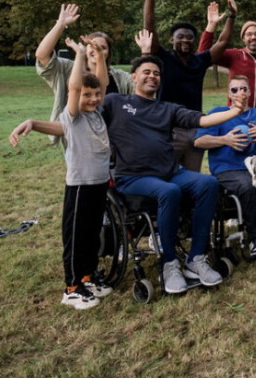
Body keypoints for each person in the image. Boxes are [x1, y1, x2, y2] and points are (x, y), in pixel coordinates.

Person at [101, 53, 245, 294]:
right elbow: (91, 101)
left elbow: (204, 120)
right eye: (146, 72)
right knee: (169, 191)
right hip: (133, 178)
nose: (152, 77)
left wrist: (234, 111)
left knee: (208, 183)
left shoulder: (167, 109)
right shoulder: (116, 102)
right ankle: (169, 263)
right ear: (134, 76)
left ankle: (196, 258)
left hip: (169, 172)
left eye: (156, 73)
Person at [9, 36, 112, 309]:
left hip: (99, 183)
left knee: (92, 234)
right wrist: (79, 54)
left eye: (96, 95)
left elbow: (100, 81)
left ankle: (88, 277)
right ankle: (72, 287)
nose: (92, 98)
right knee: (76, 236)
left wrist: (98, 54)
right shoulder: (74, 114)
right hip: (80, 185)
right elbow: (75, 86)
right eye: (86, 95)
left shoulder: (96, 113)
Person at [141, 0, 234, 172]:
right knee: (166, 177)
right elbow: (149, 28)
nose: (185, 39)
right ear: (171, 40)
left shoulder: (200, 62)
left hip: (194, 131)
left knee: (192, 179)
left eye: (190, 36)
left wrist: (232, 16)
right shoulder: (163, 59)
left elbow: (223, 41)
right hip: (168, 130)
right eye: (180, 36)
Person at [194, 75, 256, 258]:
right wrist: (225, 140)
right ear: (229, 93)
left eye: (243, 88)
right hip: (230, 170)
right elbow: (199, 141)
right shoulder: (218, 114)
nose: (239, 92)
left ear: (250, 91)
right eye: (234, 89)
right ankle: (255, 238)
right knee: (248, 185)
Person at [34, 3, 133, 147]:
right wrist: (60, 24)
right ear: (84, 50)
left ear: (108, 52)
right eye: (91, 45)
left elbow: (140, 86)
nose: (95, 49)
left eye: (102, 47)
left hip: (115, 140)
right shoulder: (68, 69)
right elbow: (42, 55)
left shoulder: (120, 77)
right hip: (79, 141)